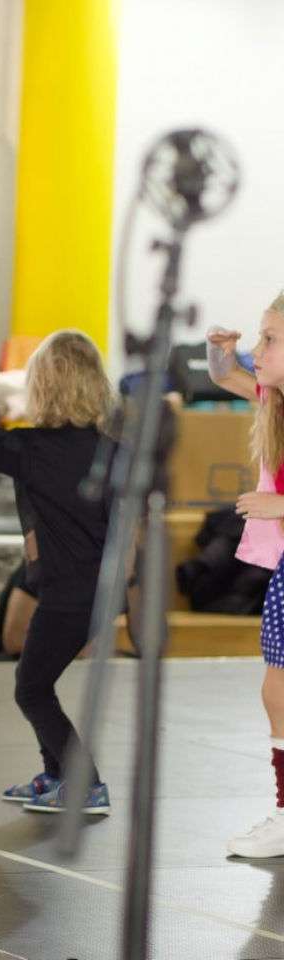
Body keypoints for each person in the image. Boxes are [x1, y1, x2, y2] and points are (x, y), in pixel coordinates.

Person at [0, 330, 113, 815]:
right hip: (97, 591)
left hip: (68, 592)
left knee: (31, 687)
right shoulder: (113, 451)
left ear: (41, 387)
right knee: (37, 683)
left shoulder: (30, 448)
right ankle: (58, 776)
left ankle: (84, 782)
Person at [207, 301, 284, 857]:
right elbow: (222, 375)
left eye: (269, 339)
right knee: (275, 690)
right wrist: (220, 351)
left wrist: (279, 504)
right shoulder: (273, 400)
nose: (257, 350)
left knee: (277, 691)